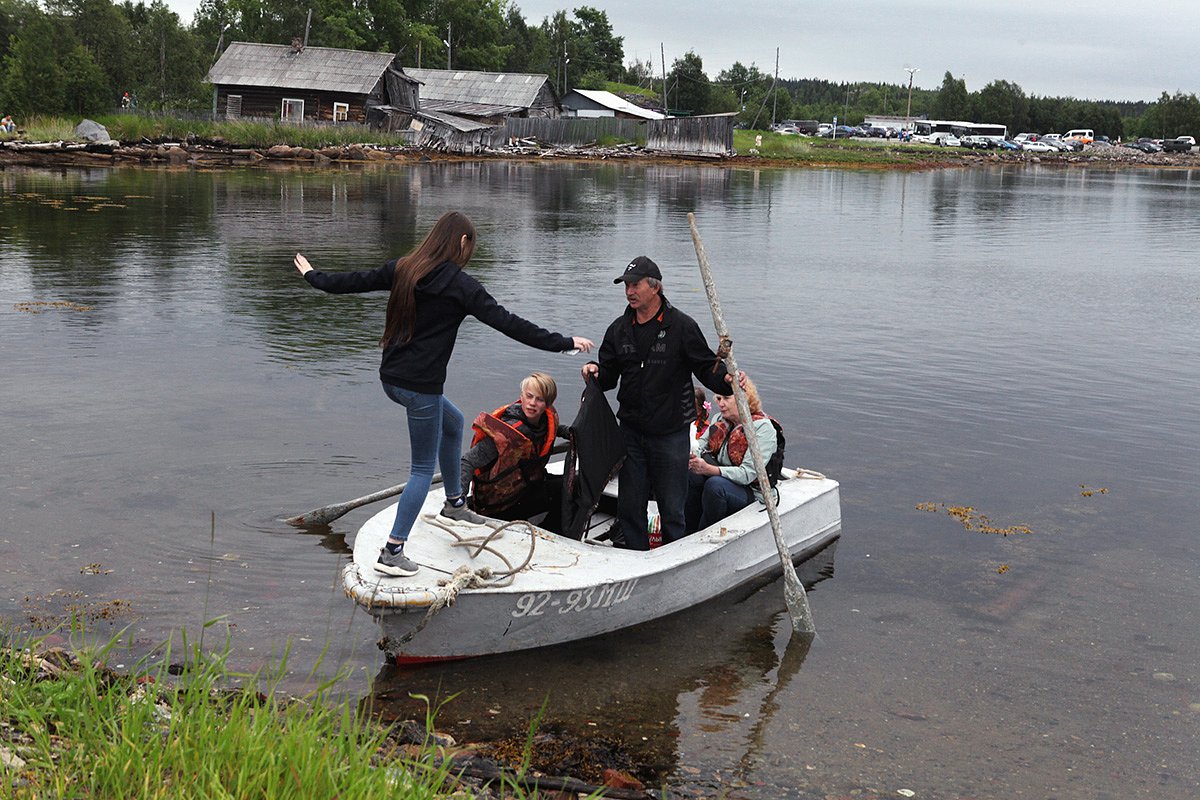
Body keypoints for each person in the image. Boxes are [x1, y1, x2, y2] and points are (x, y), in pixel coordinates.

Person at [294, 211, 593, 577]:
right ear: (463, 243)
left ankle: (454, 502)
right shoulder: (460, 286)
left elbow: (352, 281)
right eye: (471, 245)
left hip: (392, 379)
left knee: (453, 423)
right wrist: (565, 344)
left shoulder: (405, 268)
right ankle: (393, 550)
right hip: (419, 388)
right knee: (421, 470)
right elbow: (510, 323)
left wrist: (313, 277)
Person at [581, 255, 737, 550]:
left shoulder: (681, 326)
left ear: (655, 287)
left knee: (672, 508)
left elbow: (706, 368)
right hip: (630, 432)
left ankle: (673, 557)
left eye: (635, 284)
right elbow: (609, 377)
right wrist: (594, 372)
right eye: (626, 285)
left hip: (671, 434)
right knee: (630, 506)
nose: (629, 291)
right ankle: (636, 557)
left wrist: (727, 379)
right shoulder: (618, 329)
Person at [460, 372, 564, 525]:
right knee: (565, 489)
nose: (532, 403)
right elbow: (467, 462)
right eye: (529, 396)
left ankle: (549, 531)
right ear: (521, 397)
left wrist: (569, 432)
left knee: (573, 483)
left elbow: (545, 430)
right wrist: (458, 501)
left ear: (548, 404)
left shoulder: (542, 421)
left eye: (539, 399)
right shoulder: (504, 433)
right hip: (499, 505)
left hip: (525, 491)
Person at [685, 378, 778, 534]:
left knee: (715, 486)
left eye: (726, 398)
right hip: (721, 479)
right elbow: (701, 444)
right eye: (719, 398)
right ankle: (688, 530)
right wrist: (692, 456)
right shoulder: (720, 420)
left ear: (743, 399)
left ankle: (705, 534)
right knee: (690, 474)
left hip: (750, 491)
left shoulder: (763, 428)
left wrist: (709, 469)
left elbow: (748, 473)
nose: (720, 403)